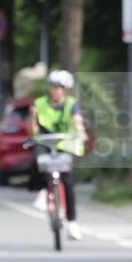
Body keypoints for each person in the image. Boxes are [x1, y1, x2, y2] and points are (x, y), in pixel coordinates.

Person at [29, 70, 86, 240]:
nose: (55, 90)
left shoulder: (71, 104)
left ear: (65, 89)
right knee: (38, 160)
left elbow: (77, 121)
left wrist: (81, 133)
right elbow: (32, 130)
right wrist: (32, 119)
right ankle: (42, 191)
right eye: (53, 87)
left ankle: (72, 223)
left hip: (65, 143)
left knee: (67, 180)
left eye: (59, 87)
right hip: (45, 142)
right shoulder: (39, 103)